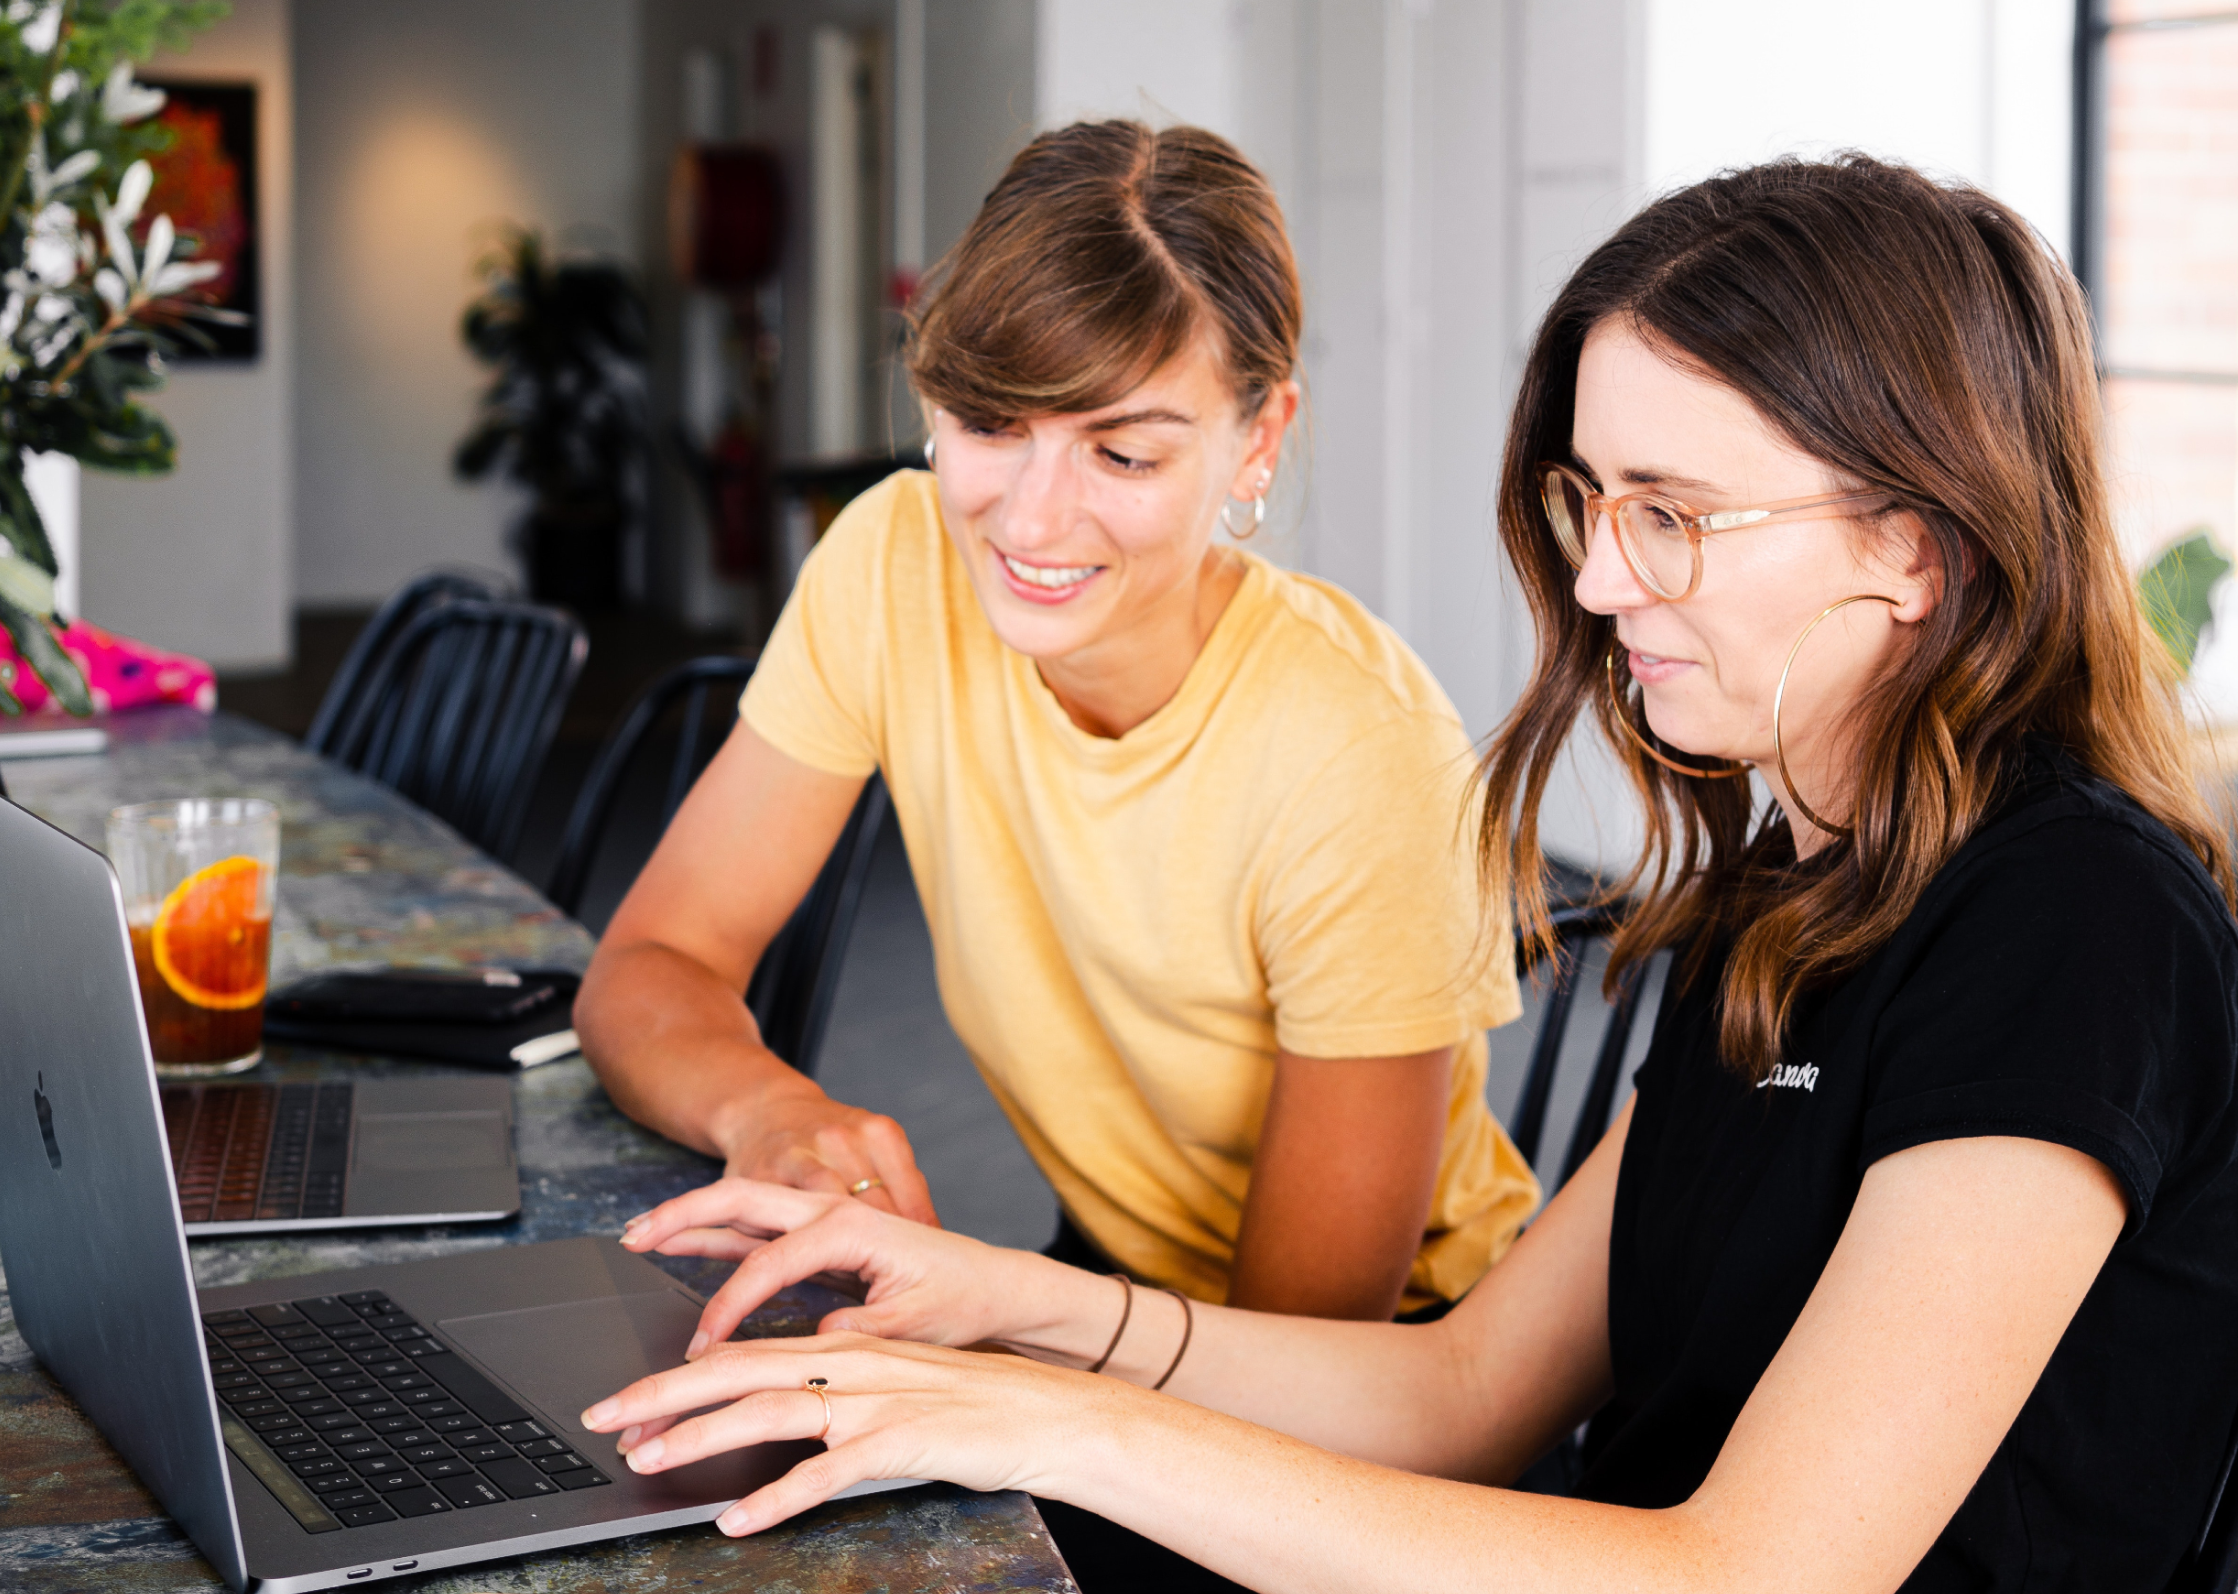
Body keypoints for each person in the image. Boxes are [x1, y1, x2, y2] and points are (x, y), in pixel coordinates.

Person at [575, 155, 2238, 1593]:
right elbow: (1461, 1392)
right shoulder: (1792, 898)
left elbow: (1760, 1570)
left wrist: (1041, 1411)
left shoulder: (2074, 923)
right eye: (1590, 499)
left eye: (1671, 514)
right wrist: (1010, 1308)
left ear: (1909, 544)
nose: (1591, 578)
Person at [575, 128, 1538, 1314]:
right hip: (1108, 1277)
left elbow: (1305, 1354)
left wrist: (996, 1330)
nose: (1031, 522)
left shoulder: (1362, 757)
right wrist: (768, 1107)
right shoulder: (893, 561)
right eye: (988, 426)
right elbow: (650, 967)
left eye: (1122, 454)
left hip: (1375, 1385)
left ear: (1259, 442)